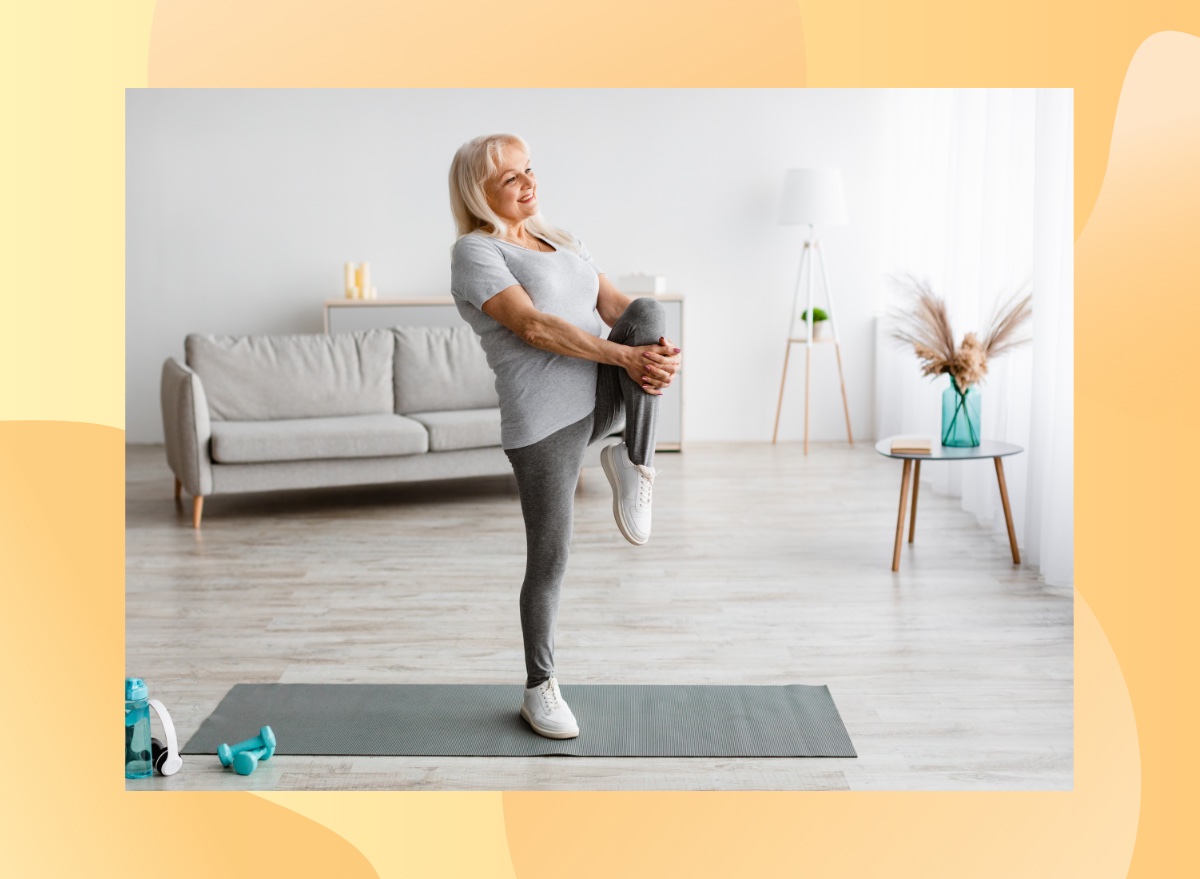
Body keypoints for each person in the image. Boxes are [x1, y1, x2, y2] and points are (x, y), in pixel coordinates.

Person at [447, 133, 681, 739]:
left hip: (601, 395)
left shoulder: (562, 240)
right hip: (543, 420)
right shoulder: (475, 252)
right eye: (510, 179)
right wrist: (625, 360)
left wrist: (656, 353)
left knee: (651, 313)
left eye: (529, 171)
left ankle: (635, 463)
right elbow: (532, 326)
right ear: (480, 192)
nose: (529, 184)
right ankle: (538, 687)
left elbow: (615, 305)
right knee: (550, 558)